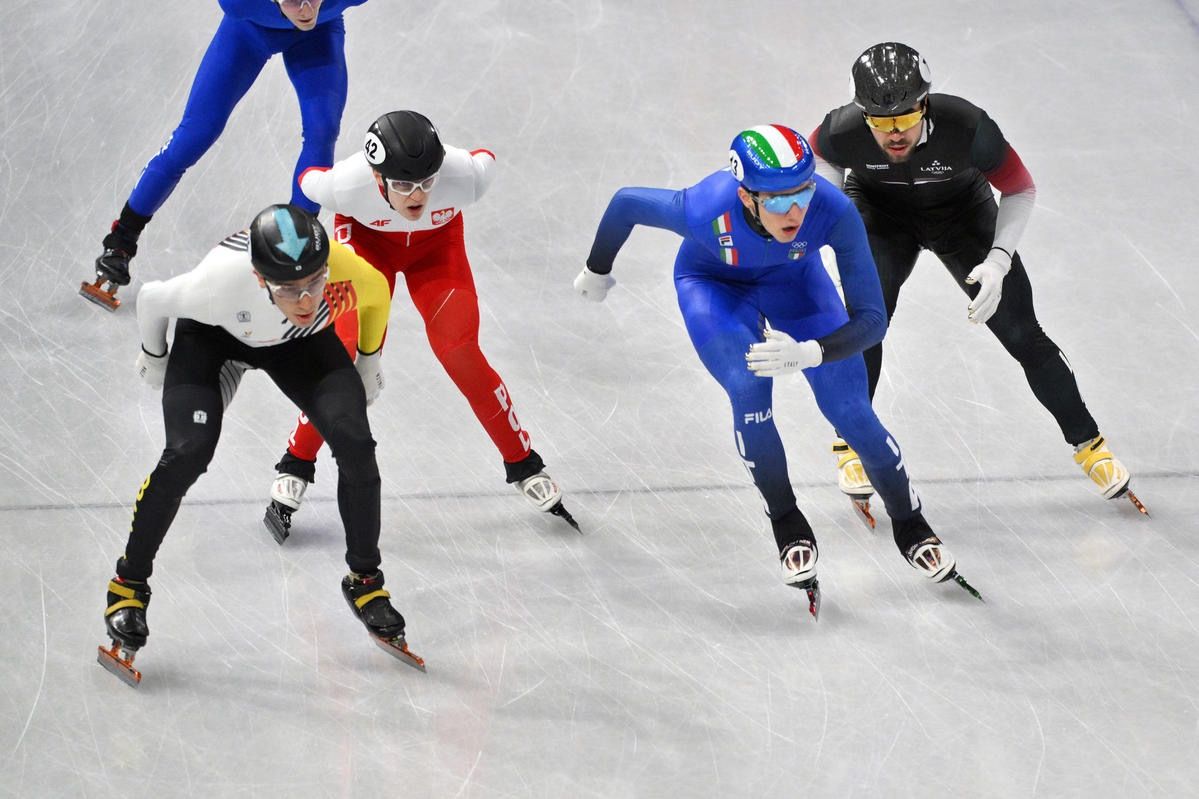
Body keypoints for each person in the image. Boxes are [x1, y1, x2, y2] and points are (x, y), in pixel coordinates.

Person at [574, 124, 980, 617]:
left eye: (802, 192)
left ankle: (910, 522)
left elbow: (873, 321)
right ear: (746, 197)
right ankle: (786, 519)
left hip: (796, 285)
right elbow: (626, 203)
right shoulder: (704, 207)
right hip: (714, 286)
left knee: (851, 411)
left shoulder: (832, 209)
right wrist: (596, 270)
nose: (795, 211)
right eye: (780, 199)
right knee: (748, 389)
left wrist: (814, 352)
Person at [809, 42, 1145, 514]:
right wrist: (836, 223)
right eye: (881, 123)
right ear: (862, 115)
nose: (895, 133)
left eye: (906, 118)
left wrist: (999, 260)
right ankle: (851, 443)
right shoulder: (840, 129)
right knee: (865, 321)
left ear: (926, 104)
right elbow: (818, 163)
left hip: (961, 215)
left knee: (1021, 332)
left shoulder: (969, 127)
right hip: (881, 215)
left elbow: (1020, 189)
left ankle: (1091, 446)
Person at [97, 204, 422, 687]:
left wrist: (369, 360)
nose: (305, 298)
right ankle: (128, 584)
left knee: (356, 444)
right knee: (187, 453)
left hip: (299, 344)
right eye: (289, 288)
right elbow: (151, 299)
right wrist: (154, 355)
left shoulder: (342, 273)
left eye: (314, 282)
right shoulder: (217, 285)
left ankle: (366, 582)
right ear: (259, 277)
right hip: (214, 338)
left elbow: (377, 294)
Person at [263, 110, 577, 542]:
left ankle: (523, 462)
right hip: (366, 246)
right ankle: (296, 461)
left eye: (427, 182)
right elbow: (307, 179)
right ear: (377, 179)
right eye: (403, 185)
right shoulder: (346, 185)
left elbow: (486, 156)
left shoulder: (464, 176)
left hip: (436, 248)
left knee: (461, 351)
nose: (418, 196)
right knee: (346, 352)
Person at [83, 0, 370, 310]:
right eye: (292, 1)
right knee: (195, 134)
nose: (305, 10)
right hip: (249, 33)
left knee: (322, 131)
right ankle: (122, 240)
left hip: (318, 35)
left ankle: (295, 253)